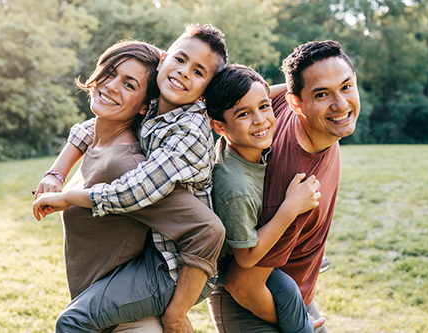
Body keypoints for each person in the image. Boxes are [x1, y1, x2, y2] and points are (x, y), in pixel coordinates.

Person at [33, 23, 228, 333]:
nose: (184, 72)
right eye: (180, 59)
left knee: (72, 322)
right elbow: (95, 128)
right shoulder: (156, 108)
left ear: (205, 91)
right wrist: (57, 172)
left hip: (174, 267)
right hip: (150, 262)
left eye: (199, 72)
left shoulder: (186, 132)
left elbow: (135, 191)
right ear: (165, 59)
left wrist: (68, 197)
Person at [207, 41, 361, 332]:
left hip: (291, 291)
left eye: (346, 86)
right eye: (321, 94)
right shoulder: (296, 188)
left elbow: (260, 94)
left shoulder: (275, 109)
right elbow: (244, 285)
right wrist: (298, 322)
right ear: (297, 103)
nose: (340, 104)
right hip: (256, 307)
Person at [203, 64, 326, 333]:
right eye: (244, 114)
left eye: (264, 106)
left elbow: (259, 96)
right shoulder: (236, 186)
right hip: (226, 264)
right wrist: (290, 209)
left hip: (246, 253)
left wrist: (296, 90)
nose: (260, 120)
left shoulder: (243, 143)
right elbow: (245, 259)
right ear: (219, 126)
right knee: (289, 291)